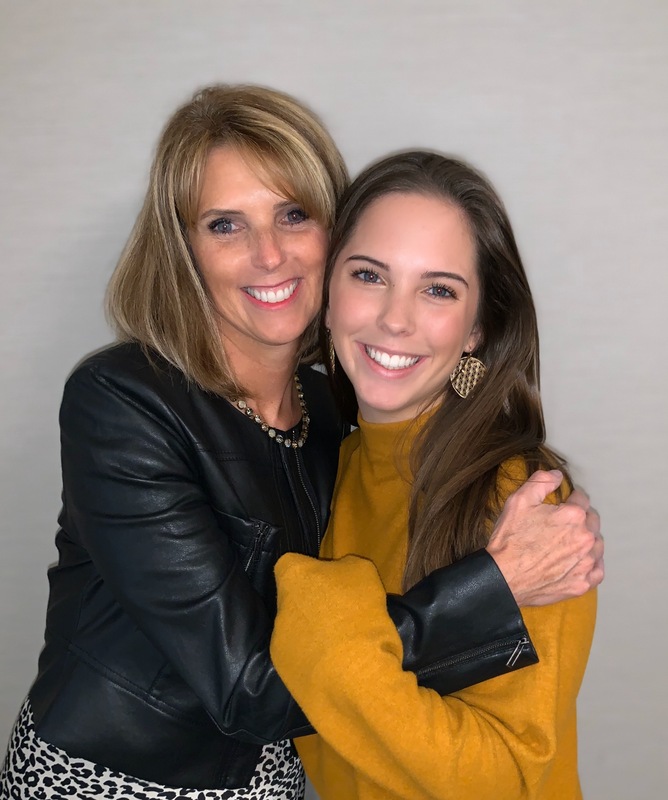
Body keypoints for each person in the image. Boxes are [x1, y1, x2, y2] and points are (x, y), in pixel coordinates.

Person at [0, 87, 602, 800]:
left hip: (274, 783)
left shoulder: (341, 420)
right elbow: (250, 687)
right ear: (183, 250)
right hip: (118, 782)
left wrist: (339, 620)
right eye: (225, 224)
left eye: (293, 214)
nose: (269, 255)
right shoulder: (126, 402)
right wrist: (486, 594)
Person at [271, 151, 599, 799]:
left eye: (438, 289)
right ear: (328, 292)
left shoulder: (520, 500)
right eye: (369, 275)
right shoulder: (322, 461)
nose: (396, 319)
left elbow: (504, 778)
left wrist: (320, 612)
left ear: (477, 329)